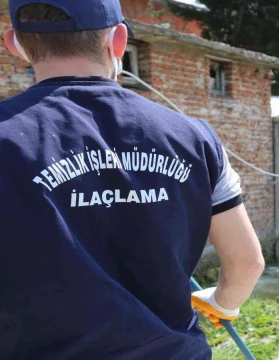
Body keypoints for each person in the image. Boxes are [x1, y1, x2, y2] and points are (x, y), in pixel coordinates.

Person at [0, 1, 265, 359]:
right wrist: (222, 302)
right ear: (118, 40)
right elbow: (247, 263)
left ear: (15, 44)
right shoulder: (195, 138)